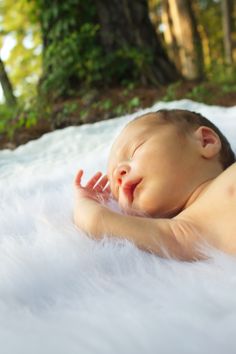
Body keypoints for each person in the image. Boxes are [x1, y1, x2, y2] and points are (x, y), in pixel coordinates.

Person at [73, 109, 236, 261]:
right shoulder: (184, 230)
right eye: (116, 188)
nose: (118, 173)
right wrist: (84, 205)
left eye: (135, 150)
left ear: (205, 141)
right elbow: (98, 222)